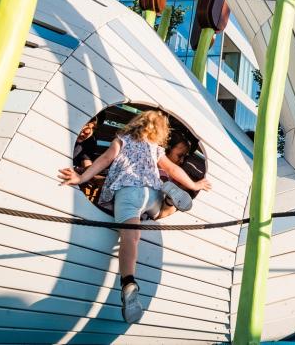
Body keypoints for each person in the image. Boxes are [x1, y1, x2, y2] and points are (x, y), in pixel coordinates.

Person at [59, 110, 212, 324]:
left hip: (128, 192)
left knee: (130, 238)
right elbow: (173, 168)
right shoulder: (156, 149)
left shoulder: (121, 141)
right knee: (160, 213)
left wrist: (81, 177)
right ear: (160, 132)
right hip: (152, 191)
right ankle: (169, 197)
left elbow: (103, 160)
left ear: (136, 124)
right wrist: (194, 185)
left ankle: (129, 282)